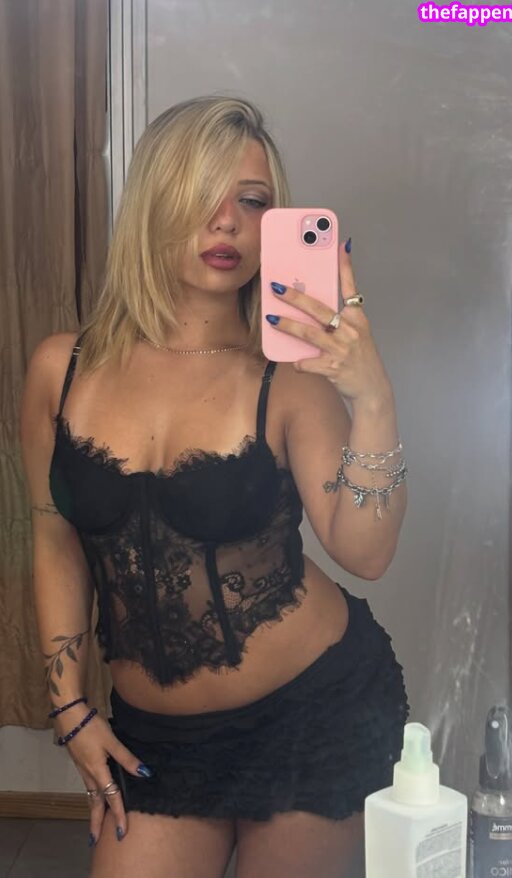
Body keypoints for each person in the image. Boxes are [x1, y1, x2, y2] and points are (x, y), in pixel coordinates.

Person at [20, 95, 409, 878]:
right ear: (153, 202)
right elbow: (55, 537)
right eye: (201, 193)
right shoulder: (61, 370)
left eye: (253, 202)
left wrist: (372, 398)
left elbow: (365, 552)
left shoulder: (288, 379)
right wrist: (70, 709)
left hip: (312, 717)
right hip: (156, 743)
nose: (227, 222)